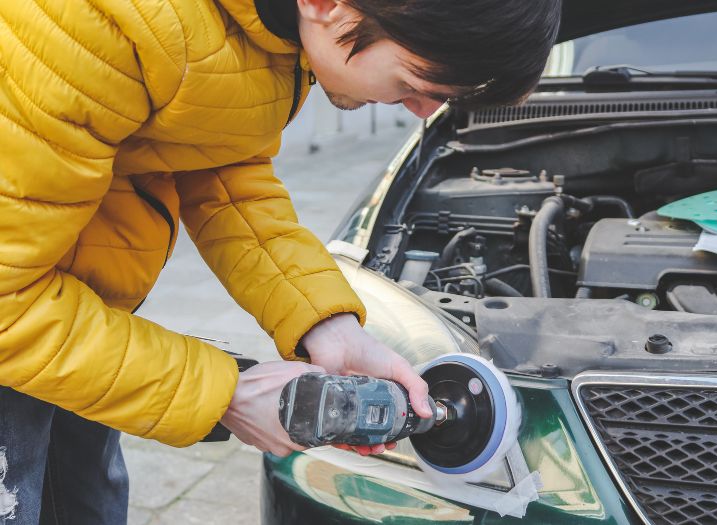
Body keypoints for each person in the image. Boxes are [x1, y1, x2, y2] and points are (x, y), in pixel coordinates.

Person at [0, 0, 560, 522]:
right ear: (327, 4)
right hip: (24, 328)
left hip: (77, 322)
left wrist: (326, 323)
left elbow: (224, 164)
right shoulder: (90, 25)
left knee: (84, 501)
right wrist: (225, 394)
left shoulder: (272, 35)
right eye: (416, 83)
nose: (424, 111)